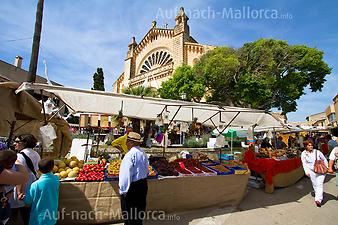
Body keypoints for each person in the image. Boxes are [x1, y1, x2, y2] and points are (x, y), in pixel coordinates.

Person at [8, 134, 40, 225]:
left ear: (25, 143)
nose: (15, 144)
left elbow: (20, 175)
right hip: (32, 183)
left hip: (22, 184)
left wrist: (19, 192)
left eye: (18, 142)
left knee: (14, 213)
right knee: (27, 213)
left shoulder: (19, 156)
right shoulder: (36, 154)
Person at [119, 132, 149, 225]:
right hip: (143, 184)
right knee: (139, 213)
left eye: (127, 141)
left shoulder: (130, 155)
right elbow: (147, 170)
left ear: (130, 142)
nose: (126, 143)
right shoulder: (143, 153)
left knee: (130, 215)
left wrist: (123, 190)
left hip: (133, 187)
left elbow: (125, 174)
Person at [24, 158, 60, 225]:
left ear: (39, 170)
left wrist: (23, 196)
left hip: (38, 219)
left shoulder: (35, 185)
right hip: (51, 216)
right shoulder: (56, 179)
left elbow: (27, 202)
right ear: (52, 168)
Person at [0, 150, 28, 225]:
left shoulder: (9, 170)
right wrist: (17, 162)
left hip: (5, 201)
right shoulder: (14, 169)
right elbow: (24, 178)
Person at [301, 140, 328, 207]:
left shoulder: (317, 152)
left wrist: (327, 167)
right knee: (315, 184)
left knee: (319, 184)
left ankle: (318, 199)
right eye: (309, 145)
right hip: (311, 171)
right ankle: (318, 195)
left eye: (311, 145)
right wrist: (306, 171)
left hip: (321, 170)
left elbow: (324, 159)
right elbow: (304, 163)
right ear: (306, 146)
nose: (311, 146)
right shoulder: (303, 153)